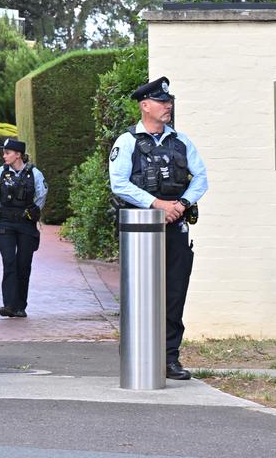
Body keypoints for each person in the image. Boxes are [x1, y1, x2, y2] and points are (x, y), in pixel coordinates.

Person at [108, 76, 208, 380]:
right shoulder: (127, 142)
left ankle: (169, 358)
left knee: (175, 292)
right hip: (141, 232)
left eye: (170, 102)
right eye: (162, 102)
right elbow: (119, 183)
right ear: (145, 106)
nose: (169, 106)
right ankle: (138, 355)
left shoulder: (181, 141)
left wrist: (180, 204)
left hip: (175, 227)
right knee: (140, 293)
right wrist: (156, 204)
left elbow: (201, 178)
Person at [0, 138, 47, 318]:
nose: (4, 156)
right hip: (6, 223)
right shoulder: (0, 173)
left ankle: (20, 306)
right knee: (9, 262)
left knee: (23, 265)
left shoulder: (35, 174)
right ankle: (9, 305)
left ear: (18, 155)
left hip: (26, 224)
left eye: (7, 153)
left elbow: (41, 195)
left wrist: (31, 213)